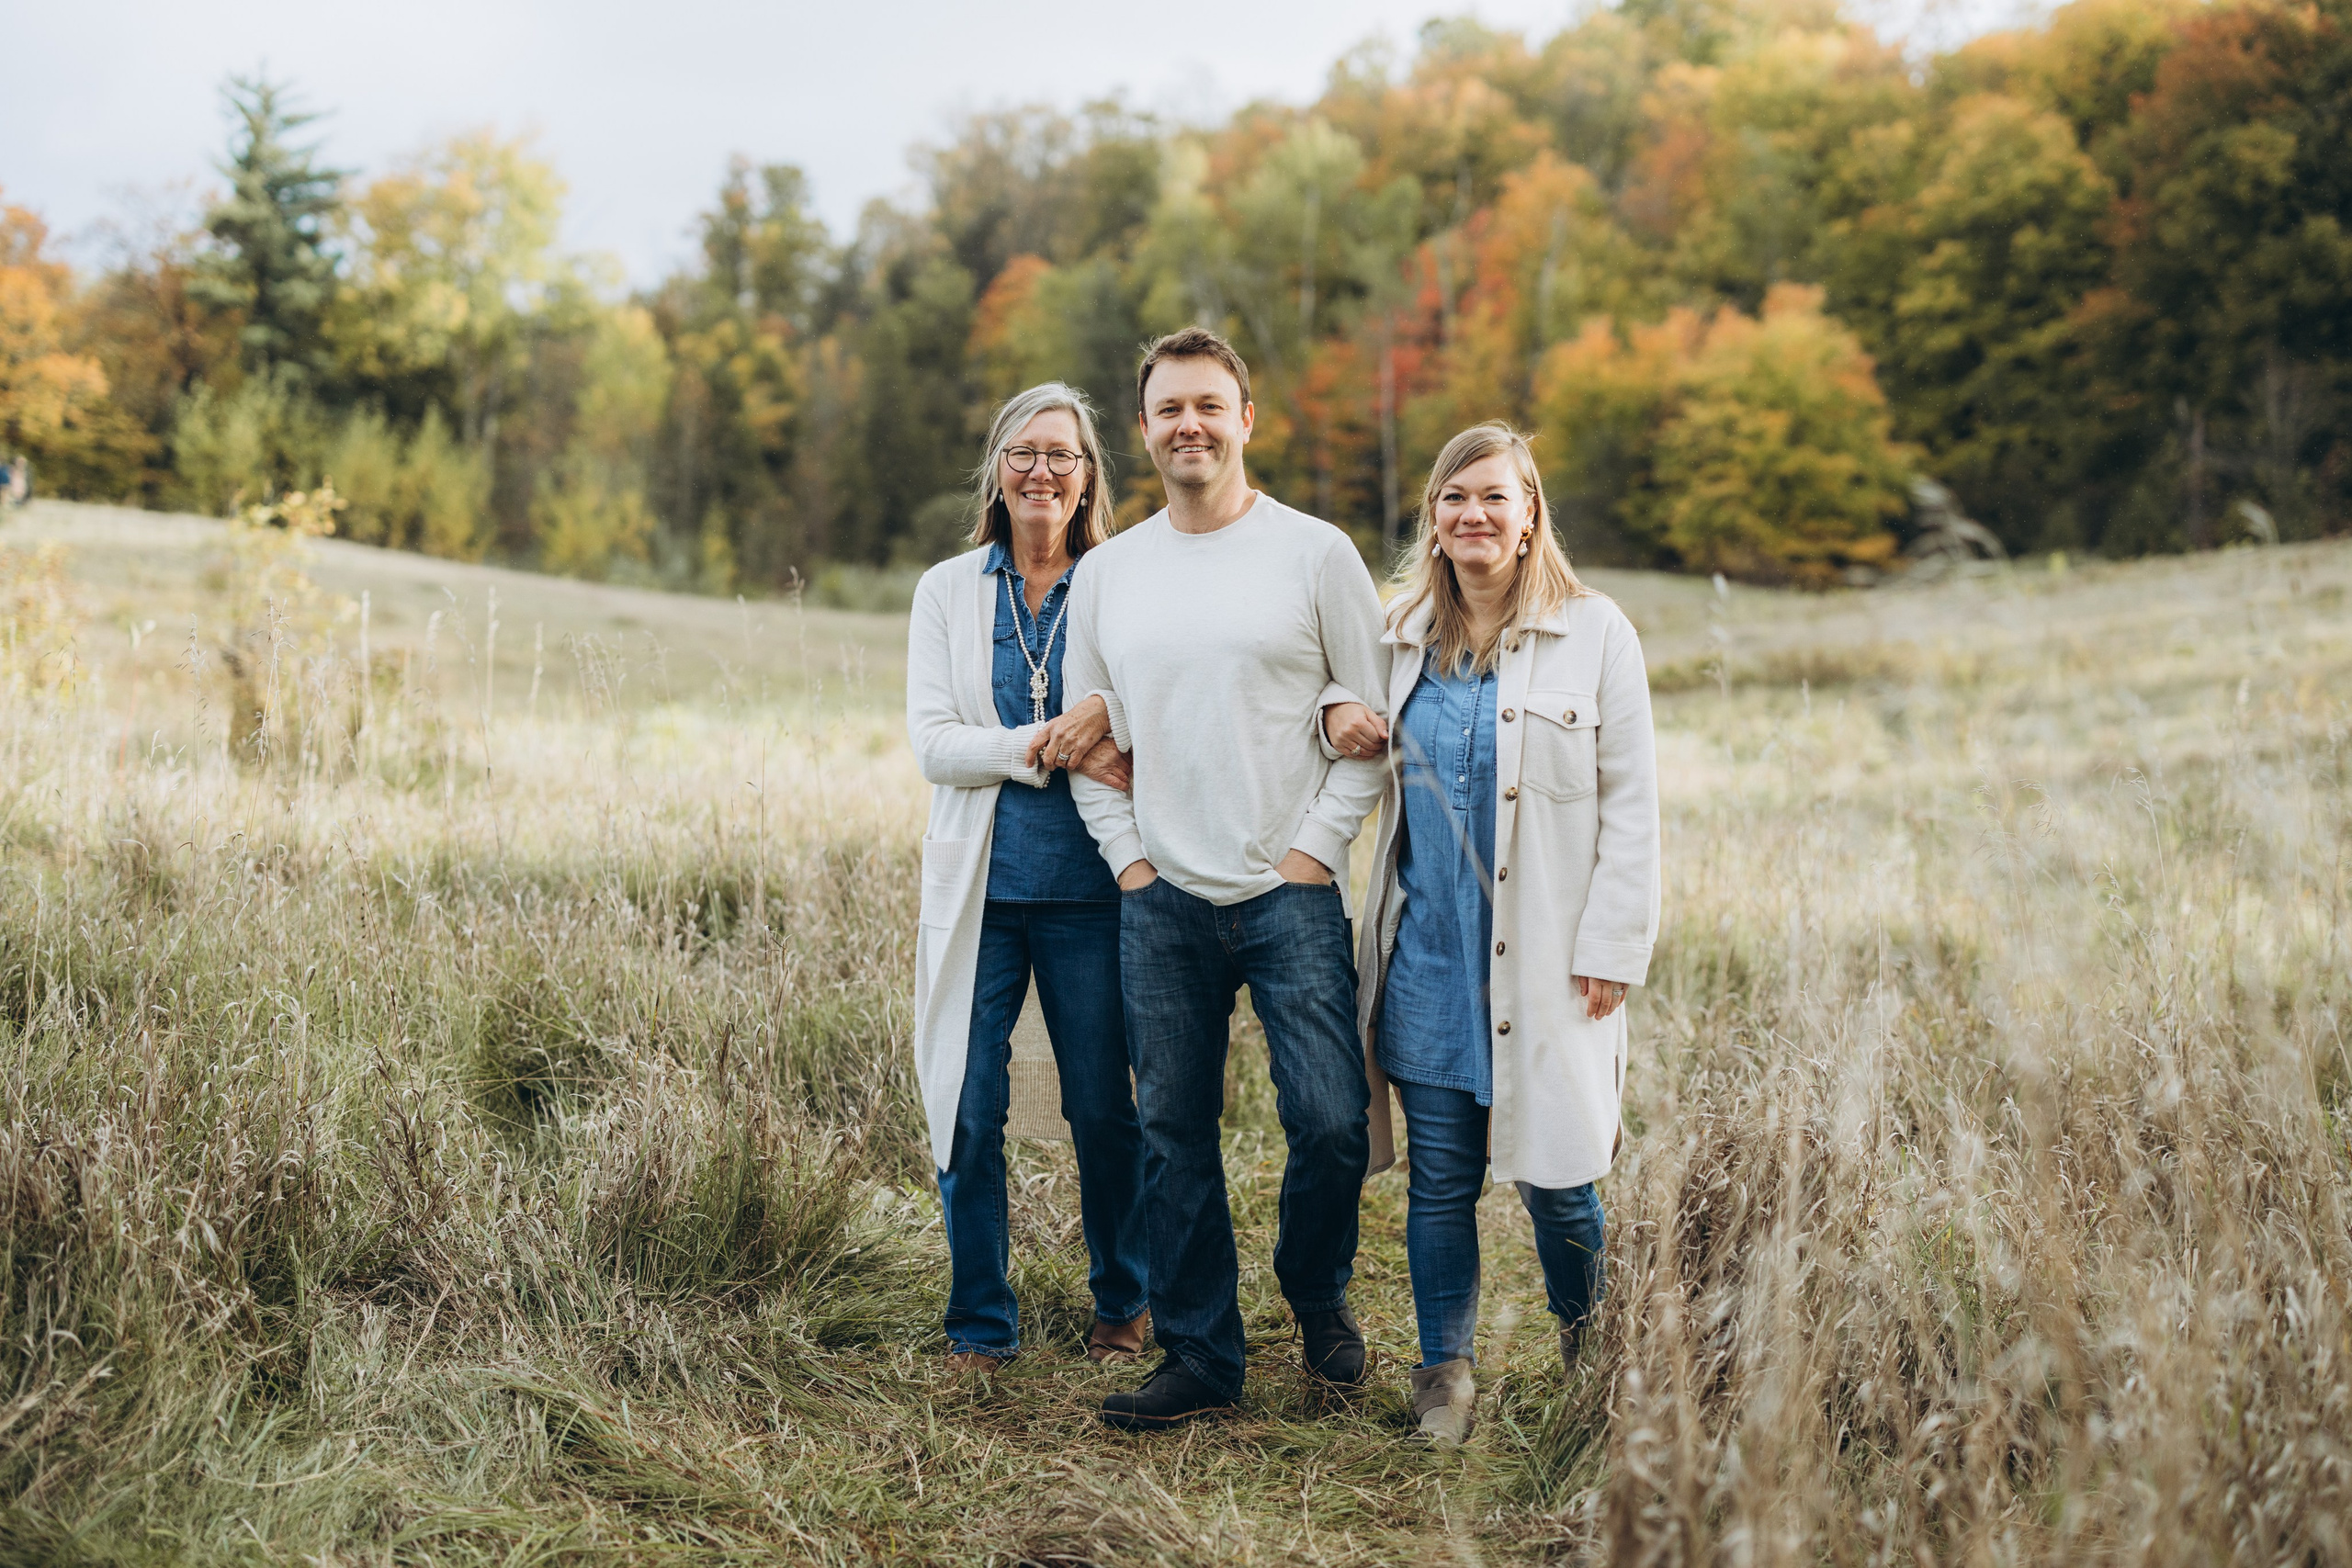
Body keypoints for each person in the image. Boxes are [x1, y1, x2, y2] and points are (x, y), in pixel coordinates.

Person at [1038, 327, 1390, 1430]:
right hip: (1163, 902)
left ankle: (1314, 1286)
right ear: (1142, 432)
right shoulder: (1109, 574)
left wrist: (1311, 853)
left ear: (1247, 420)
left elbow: (1368, 721)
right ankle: (1200, 1355)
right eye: (1167, 409)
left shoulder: (1316, 554)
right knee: (1173, 1135)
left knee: (1331, 1122)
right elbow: (1090, 747)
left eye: (1208, 405)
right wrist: (1132, 865)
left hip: (1288, 896)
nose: (1188, 425)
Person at [1323, 423, 1660, 1446]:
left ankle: (1590, 1352)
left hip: (1551, 963)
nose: (1473, 514)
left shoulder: (1594, 633)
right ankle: (1443, 1378)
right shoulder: (1393, 637)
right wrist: (1336, 709)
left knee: (1561, 1184)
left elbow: (1632, 803)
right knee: (1440, 1183)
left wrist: (1612, 946)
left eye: (1494, 498)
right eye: (1453, 497)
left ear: (1528, 517)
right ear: (1432, 517)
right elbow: (1328, 720)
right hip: (1427, 953)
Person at [905, 382, 1150, 1375]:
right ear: (996, 472)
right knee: (967, 1103)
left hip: (1096, 892)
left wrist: (1096, 730)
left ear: (1088, 475)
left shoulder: (1125, 583)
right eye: (1023, 453)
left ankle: (1125, 1301)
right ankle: (979, 1321)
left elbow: (1148, 717)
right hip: (981, 898)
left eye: (1062, 454)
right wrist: (1050, 742)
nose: (1041, 471)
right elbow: (934, 745)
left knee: (1103, 1106)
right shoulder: (948, 590)